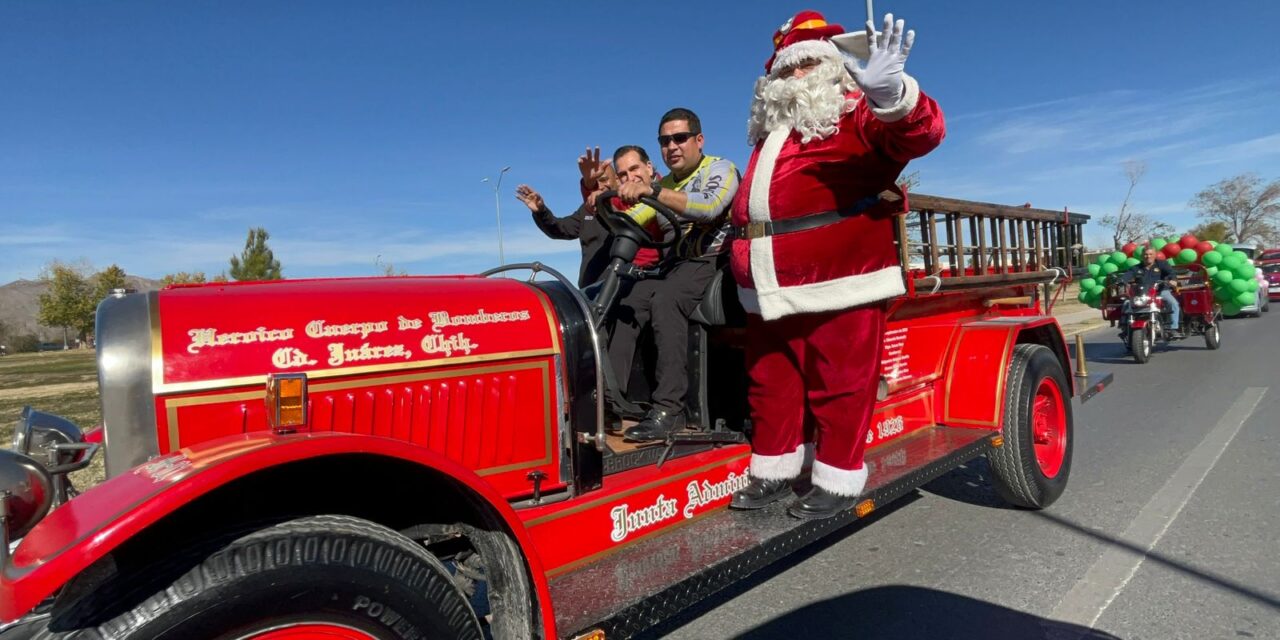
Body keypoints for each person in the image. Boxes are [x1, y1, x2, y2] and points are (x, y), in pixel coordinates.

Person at [727, 11, 945, 519]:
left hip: (840, 282)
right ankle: (775, 470)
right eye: (785, 71)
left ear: (831, 67)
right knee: (770, 382)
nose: (793, 79)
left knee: (840, 385)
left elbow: (919, 135)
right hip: (766, 286)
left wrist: (892, 96)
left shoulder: (855, 115)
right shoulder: (770, 135)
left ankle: (839, 478)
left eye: (804, 66)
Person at [608, 108, 740, 441]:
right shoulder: (664, 183)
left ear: (698, 140)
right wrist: (604, 201)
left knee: (667, 298)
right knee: (628, 298)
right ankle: (610, 400)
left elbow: (708, 206)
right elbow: (633, 219)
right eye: (665, 141)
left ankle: (671, 409)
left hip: (714, 262)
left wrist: (651, 191)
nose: (672, 147)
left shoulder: (721, 169)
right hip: (677, 265)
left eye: (680, 138)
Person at [514, 148, 660, 288]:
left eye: (604, 179)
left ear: (617, 179)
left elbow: (619, 217)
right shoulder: (585, 211)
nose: (601, 186)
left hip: (623, 285)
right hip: (590, 291)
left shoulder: (633, 205)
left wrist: (593, 191)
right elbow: (560, 229)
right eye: (595, 182)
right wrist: (541, 211)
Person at [1126, 247, 1181, 336]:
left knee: (1173, 303)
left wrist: (1173, 280)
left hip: (1161, 291)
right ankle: (1126, 328)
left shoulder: (1162, 264)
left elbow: (1171, 273)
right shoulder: (1136, 268)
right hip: (1142, 294)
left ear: (1155, 255)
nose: (1148, 256)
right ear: (1142, 256)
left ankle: (1173, 328)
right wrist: (1120, 281)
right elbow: (1127, 275)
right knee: (1126, 305)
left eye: (1151, 254)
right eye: (1146, 254)